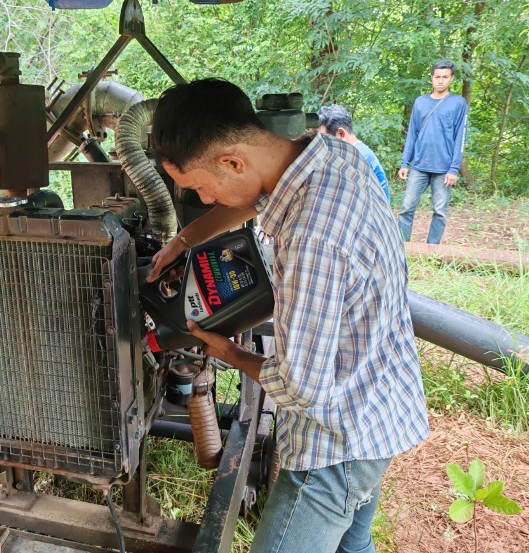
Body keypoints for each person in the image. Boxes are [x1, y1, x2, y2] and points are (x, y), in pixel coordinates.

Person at [147, 79, 428, 553]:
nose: (206, 199)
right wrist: (184, 239)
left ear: (232, 161)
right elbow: (251, 199)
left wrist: (227, 351)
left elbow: (301, 387)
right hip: (379, 403)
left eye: (199, 187)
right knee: (353, 546)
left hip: (336, 442)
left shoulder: (311, 236)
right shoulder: (333, 157)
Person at [398, 59, 468, 244]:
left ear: (451, 78)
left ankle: (432, 249)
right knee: (406, 208)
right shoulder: (420, 102)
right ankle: (401, 247)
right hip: (419, 165)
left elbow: (460, 138)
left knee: (440, 212)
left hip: (444, 168)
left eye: (445, 77)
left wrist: (454, 169)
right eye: (437, 77)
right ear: (432, 78)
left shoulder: (458, 103)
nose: (441, 81)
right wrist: (405, 162)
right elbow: (412, 133)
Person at [317, 104, 390, 203]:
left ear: (341, 134)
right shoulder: (361, 150)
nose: (323, 144)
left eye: (325, 139)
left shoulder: (355, 158)